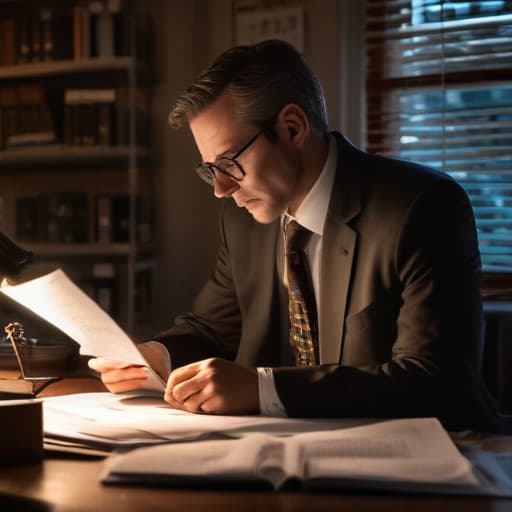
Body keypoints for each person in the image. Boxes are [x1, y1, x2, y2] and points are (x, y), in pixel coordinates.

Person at [89, 39, 502, 432]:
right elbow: (213, 330)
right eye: (209, 169)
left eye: (229, 162)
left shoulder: (422, 207)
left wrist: (263, 389)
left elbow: (436, 382)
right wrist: (153, 358)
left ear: (292, 127)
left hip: (439, 462)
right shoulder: (241, 221)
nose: (220, 189)